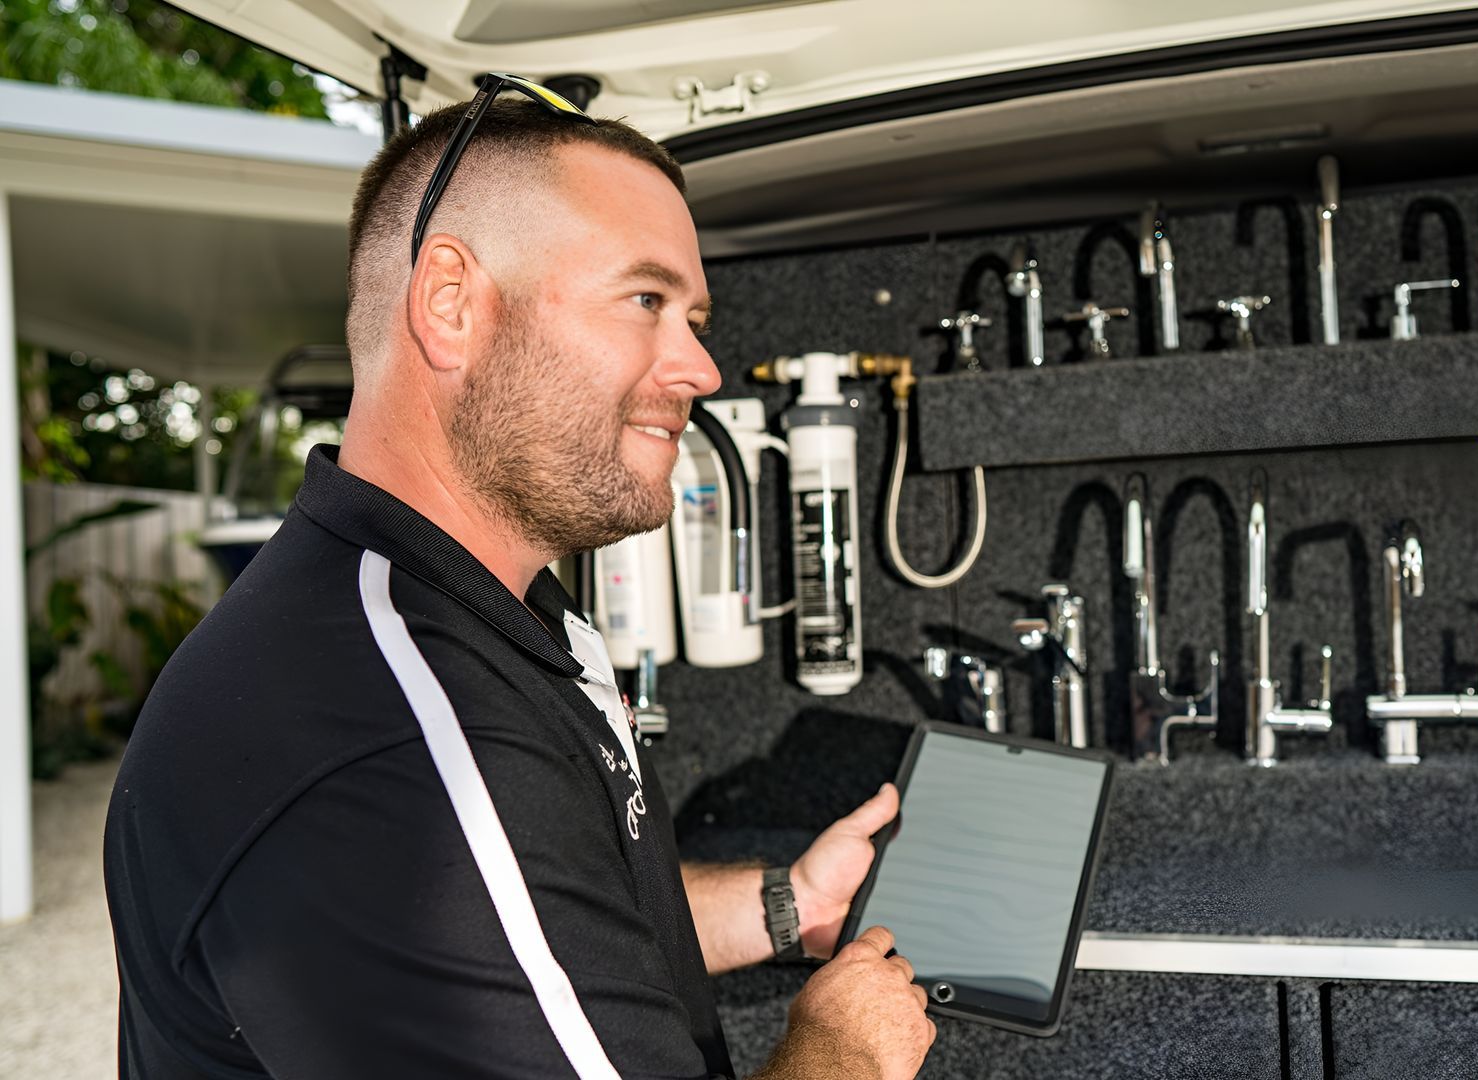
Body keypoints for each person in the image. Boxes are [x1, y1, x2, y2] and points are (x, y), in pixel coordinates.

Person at [103, 87, 935, 1080]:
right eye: (646, 302)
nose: (701, 368)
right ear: (451, 303)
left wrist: (789, 903)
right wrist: (845, 1058)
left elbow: (548, 922)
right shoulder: (383, 738)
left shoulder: (491, 614)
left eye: (693, 315)